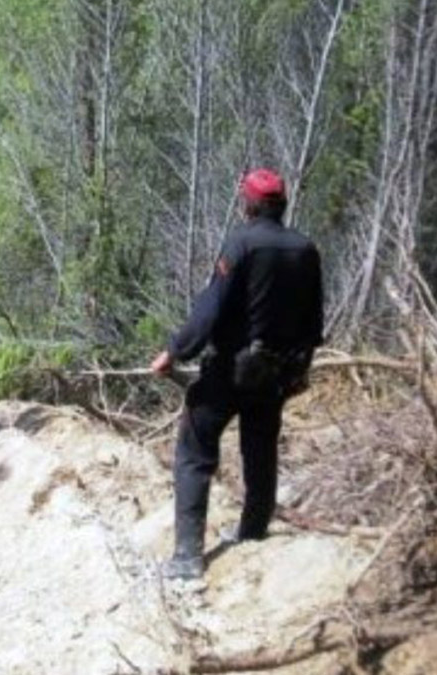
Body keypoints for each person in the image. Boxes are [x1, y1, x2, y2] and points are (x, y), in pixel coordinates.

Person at [150, 168, 324, 580]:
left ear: (250, 204)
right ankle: (253, 531)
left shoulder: (242, 243)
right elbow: (314, 321)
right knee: (260, 450)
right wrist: (300, 370)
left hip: (230, 370)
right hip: (276, 373)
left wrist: (174, 351)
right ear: (281, 204)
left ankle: (187, 557)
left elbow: (211, 308)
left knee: (194, 451)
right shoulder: (306, 249)